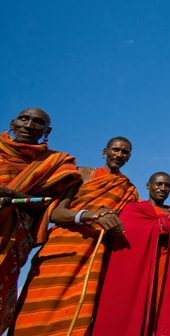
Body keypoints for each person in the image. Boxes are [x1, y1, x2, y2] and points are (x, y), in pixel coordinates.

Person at [12, 136, 139, 336]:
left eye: (124, 152)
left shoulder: (129, 190)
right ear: (104, 152)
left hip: (94, 257)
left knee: (78, 314)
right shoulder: (82, 174)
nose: (119, 155)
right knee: (37, 310)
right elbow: (55, 213)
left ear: (129, 157)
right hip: (61, 249)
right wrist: (91, 215)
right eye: (115, 150)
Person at [0, 108, 81, 333]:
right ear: (12, 122)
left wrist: (12, 195)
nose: (29, 125)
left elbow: (52, 206)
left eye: (38, 122)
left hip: (11, 240)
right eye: (24, 119)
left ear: (47, 130)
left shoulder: (57, 163)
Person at [92, 172, 170, 336]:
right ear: (148, 186)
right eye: (158, 184)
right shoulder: (134, 209)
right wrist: (159, 227)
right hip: (138, 270)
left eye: (167, 185)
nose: (162, 188)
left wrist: (167, 227)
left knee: (161, 310)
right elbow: (126, 233)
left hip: (165, 271)